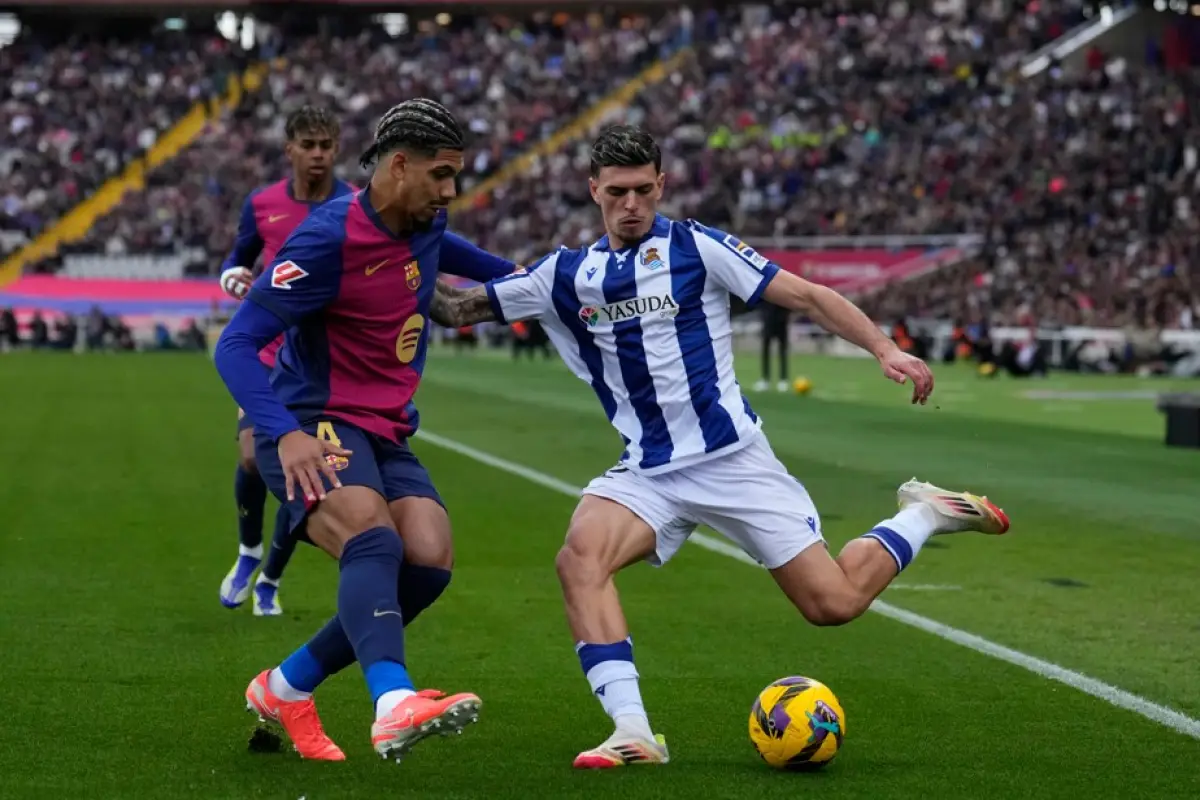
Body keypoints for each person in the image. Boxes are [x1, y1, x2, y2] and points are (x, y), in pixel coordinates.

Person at [429, 125, 1011, 769]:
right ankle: (634, 732)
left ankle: (922, 512)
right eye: (617, 192)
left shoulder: (698, 248)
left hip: (732, 461)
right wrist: (393, 247)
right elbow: (456, 310)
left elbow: (808, 295)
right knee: (578, 559)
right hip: (647, 472)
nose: (631, 205)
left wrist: (884, 346)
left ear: (661, 186)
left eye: (643, 191)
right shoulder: (565, 275)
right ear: (594, 190)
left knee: (834, 604)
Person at [213, 98, 518, 761]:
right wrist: (284, 434)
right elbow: (235, 346)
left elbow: (495, 270)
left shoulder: (426, 224)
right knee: (371, 537)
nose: (451, 190)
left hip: (384, 428)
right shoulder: (327, 240)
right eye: (441, 174)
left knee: (430, 559)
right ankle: (391, 702)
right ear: (399, 166)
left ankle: (286, 686)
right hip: (309, 421)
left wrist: (563, 286)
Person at [217, 105, 355, 617]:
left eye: (326, 145)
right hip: (269, 350)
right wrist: (232, 276)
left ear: (337, 148)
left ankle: (272, 577)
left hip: (325, 361)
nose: (318, 155)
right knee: (253, 456)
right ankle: (249, 552)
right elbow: (239, 257)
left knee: (305, 475)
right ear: (290, 149)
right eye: (309, 145)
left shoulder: (355, 205)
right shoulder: (263, 204)